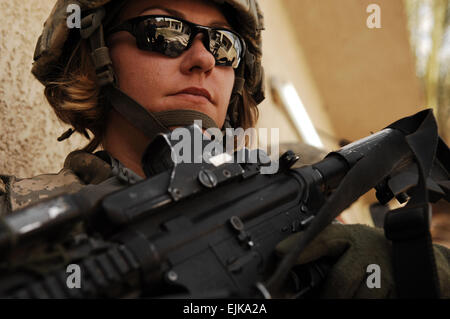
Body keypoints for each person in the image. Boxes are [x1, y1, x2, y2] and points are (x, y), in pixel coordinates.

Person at [0, 0, 449, 298]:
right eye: (165, 30)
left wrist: (411, 269)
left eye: (223, 43)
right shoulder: (19, 221)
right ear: (94, 56)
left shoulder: (293, 189)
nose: (205, 59)